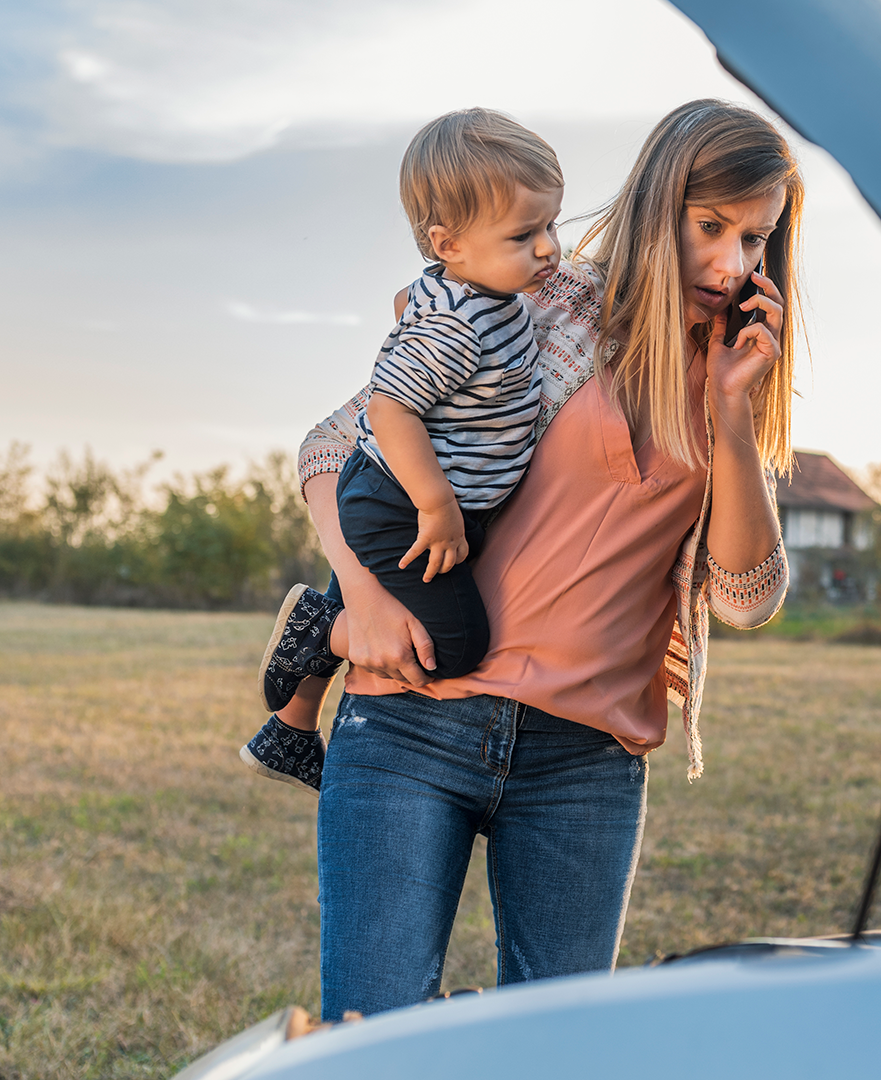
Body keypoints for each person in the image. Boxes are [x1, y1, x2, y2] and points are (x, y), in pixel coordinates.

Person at [285, 99, 800, 1018]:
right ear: (657, 207)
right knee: (372, 1044)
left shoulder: (735, 375)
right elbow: (332, 446)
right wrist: (360, 599)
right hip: (412, 726)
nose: (733, 265)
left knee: (555, 1057)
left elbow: (747, 595)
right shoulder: (544, 302)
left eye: (756, 240)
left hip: (586, 762)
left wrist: (728, 417)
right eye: (711, 227)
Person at [241, 109, 563, 792]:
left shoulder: (485, 290)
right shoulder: (459, 323)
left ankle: (290, 731)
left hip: (409, 500)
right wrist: (437, 503)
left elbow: (410, 301)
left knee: (408, 594)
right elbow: (389, 408)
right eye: (524, 234)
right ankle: (323, 628)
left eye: (550, 226)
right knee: (455, 646)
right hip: (401, 502)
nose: (548, 249)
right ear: (448, 244)